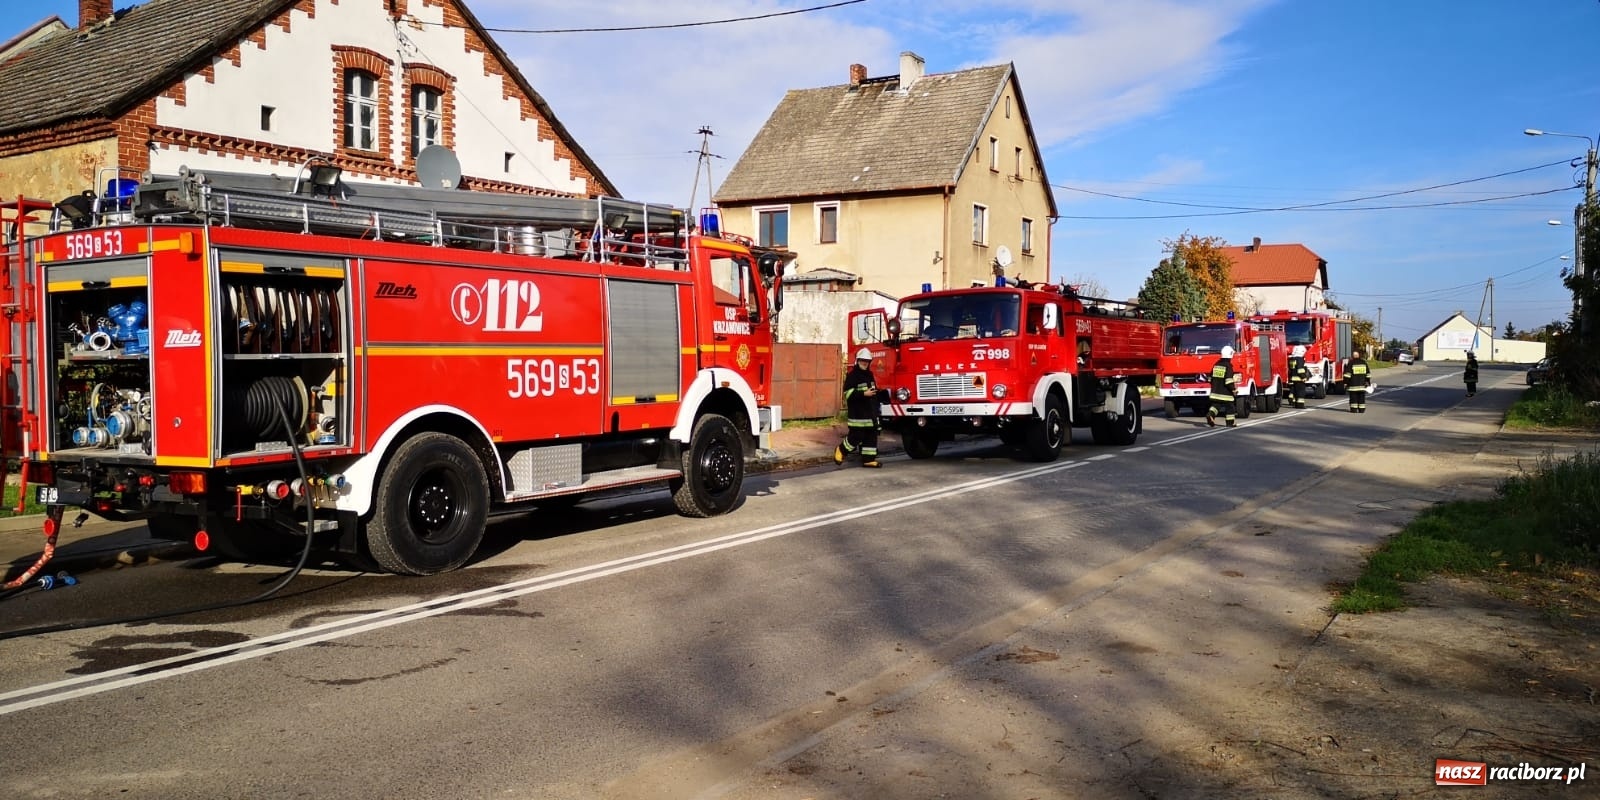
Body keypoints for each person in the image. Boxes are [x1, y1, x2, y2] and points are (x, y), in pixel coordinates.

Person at [834, 348, 883, 468]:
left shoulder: (869, 375)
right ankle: (841, 450)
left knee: (871, 437)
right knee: (856, 436)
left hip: (870, 414)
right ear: (858, 361)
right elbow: (847, 394)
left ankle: (868, 459)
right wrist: (863, 394)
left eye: (867, 361)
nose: (865, 363)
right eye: (862, 360)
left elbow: (872, 392)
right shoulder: (853, 376)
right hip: (858, 415)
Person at [1206, 345, 1239, 428]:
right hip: (1225, 394)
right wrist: (1233, 390)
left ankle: (1210, 415)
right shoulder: (1228, 366)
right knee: (1230, 408)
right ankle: (1230, 423)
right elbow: (1228, 381)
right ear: (1230, 354)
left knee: (1216, 406)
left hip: (1215, 392)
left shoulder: (1216, 364)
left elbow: (1209, 379)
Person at [1346, 348, 1371, 413]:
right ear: (1359, 355)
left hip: (1353, 386)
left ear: (1353, 356)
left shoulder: (1351, 363)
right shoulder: (1364, 362)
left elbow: (1347, 375)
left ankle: (1354, 409)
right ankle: (1362, 409)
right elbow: (1368, 374)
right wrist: (1368, 382)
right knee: (1361, 398)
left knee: (1353, 398)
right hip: (1362, 385)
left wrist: (1346, 383)